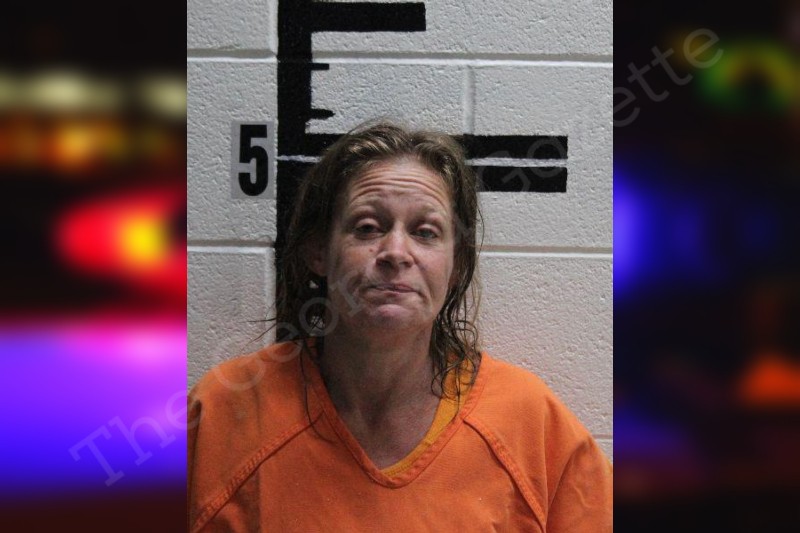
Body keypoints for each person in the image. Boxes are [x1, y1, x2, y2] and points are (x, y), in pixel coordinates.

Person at [187, 120, 612, 532]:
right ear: (319, 250)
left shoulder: (530, 426)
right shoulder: (223, 414)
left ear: (455, 264)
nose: (395, 252)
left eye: (425, 232)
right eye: (367, 228)